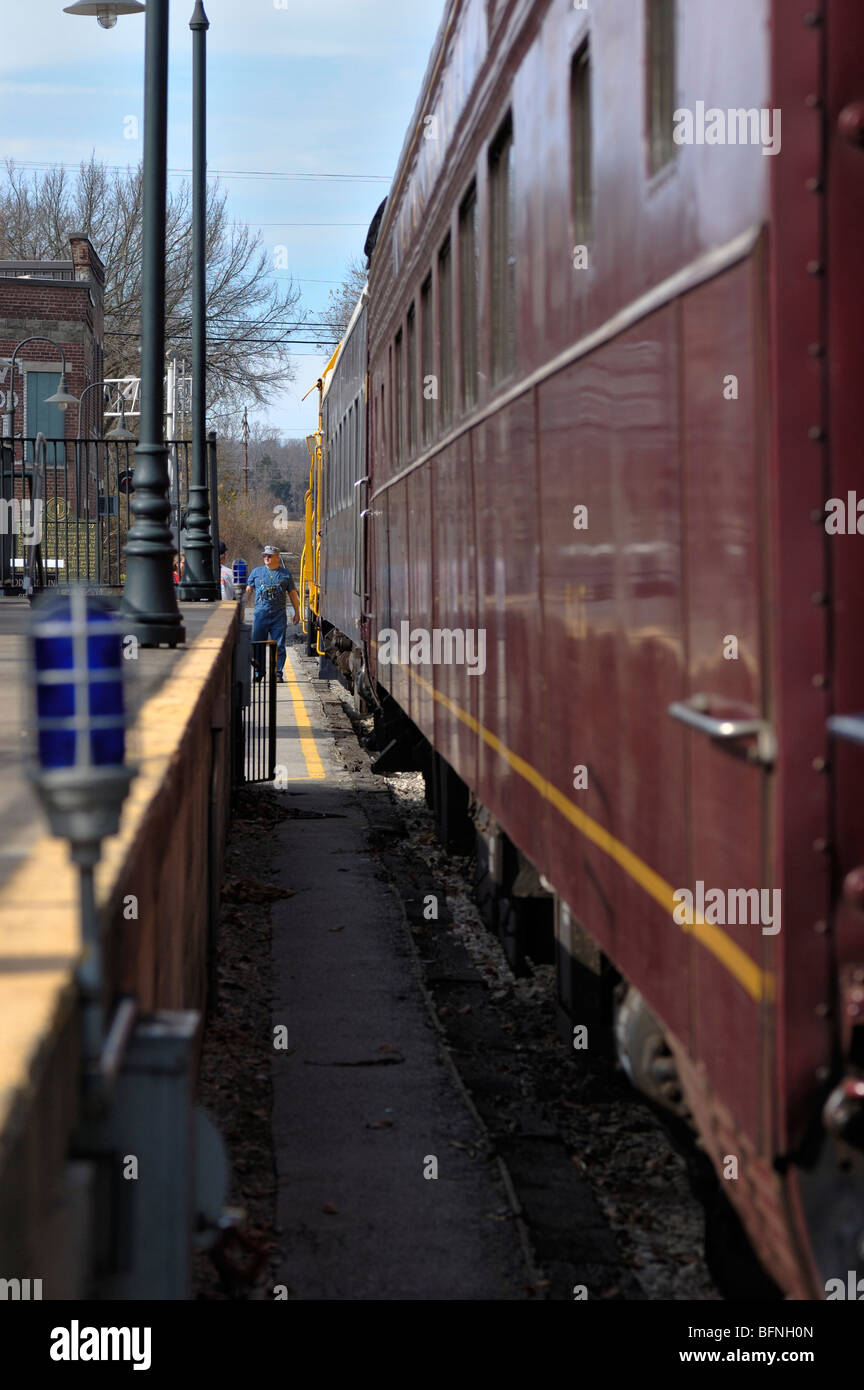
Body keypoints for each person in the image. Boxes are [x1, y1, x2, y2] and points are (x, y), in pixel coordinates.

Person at [244, 545, 300, 683]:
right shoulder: (256, 572)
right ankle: (259, 671)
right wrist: (240, 608)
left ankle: (277, 672)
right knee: (258, 644)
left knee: (279, 645)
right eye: (265, 556)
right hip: (260, 615)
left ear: (277, 557)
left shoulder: (285, 574)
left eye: (269, 556)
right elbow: (248, 591)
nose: (266, 558)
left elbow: (292, 594)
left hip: (278, 615)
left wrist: (297, 612)